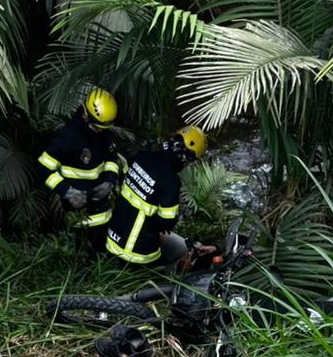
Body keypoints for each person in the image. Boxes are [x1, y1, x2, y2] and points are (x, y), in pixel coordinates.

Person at [105, 125, 210, 269]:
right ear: (187, 157)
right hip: (137, 256)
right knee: (186, 262)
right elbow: (166, 222)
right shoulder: (170, 180)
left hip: (112, 239)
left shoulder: (142, 156)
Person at [38, 88, 121, 250]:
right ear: (85, 114)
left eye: (103, 128)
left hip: (101, 207)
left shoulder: (105, 134)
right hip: (75, 210)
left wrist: (109, 181)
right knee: (78, 252)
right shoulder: (68, 137)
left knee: (101, 252)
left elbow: (112, 158)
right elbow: (43, 168)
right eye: (96, 127)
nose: (100, 131)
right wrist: (66, 191)